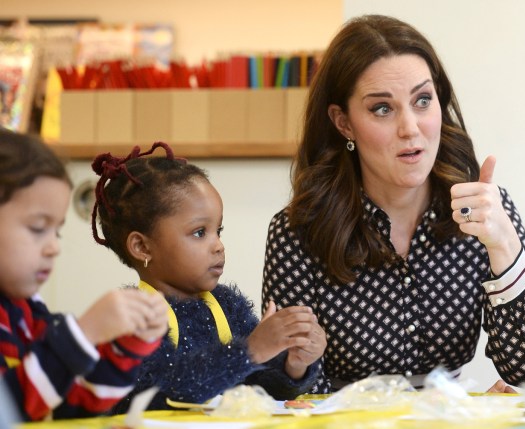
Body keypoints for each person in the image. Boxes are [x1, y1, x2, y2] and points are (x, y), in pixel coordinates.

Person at [261, 14, 525, 394]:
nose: (410, 128)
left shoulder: (482, 212)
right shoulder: (297, 231)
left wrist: (504, 246)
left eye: (422, 101)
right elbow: (279, 389)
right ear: (344, 123)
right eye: (382, 109)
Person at [90, 142, 326, 414]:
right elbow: (163, 391)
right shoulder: (134, 318)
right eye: (200, 232)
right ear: (142, 247)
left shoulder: (228, 307)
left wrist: (294, 364)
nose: (218, 246)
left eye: (219, 231)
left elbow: (261, 387)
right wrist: (248, 352)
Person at [0, 128, 168, 421]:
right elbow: (8, 410)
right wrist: (83, 334)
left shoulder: (28, 310)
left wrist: (125, 345)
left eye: (57, 232)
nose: (53, 247)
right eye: (38, 228)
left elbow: (73, 405)